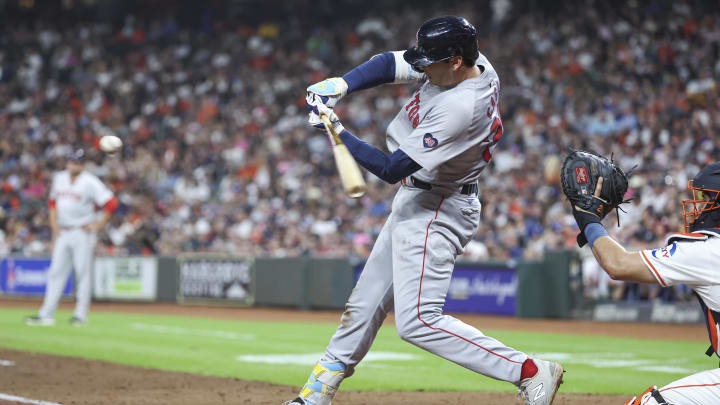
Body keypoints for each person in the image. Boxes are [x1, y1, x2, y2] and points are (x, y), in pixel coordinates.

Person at [284, 16, 564, 405]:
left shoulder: (462, 106)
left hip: (438, 204)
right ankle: (317, 393)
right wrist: (341, 85)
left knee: (418, 322)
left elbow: (391, 169)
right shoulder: (472, 64)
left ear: (453, 61)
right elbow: (389, 63)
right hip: (421, 196)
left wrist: (338, 132)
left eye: (429, 62)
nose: (420, 68)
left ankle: (529, 371)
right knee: (364, 304)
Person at [569, 163, 720, 405]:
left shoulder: (709, 250)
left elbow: (617, 264)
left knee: (649, 403)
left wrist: (588, 219)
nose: (699, 207)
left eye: (706, 199)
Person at [25, 148, 118, 326]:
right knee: (55, 272)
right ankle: (46, 314)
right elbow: (52, 202)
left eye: (77, 161)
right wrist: (53, 224)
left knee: (82, 274)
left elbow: (111, 203)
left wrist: (98, 224)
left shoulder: (90, 181)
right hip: (62, 231)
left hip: (82, 232)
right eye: (71, 160)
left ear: (83, 164)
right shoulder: (59, 178)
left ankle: (80, 315)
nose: (73, 164)